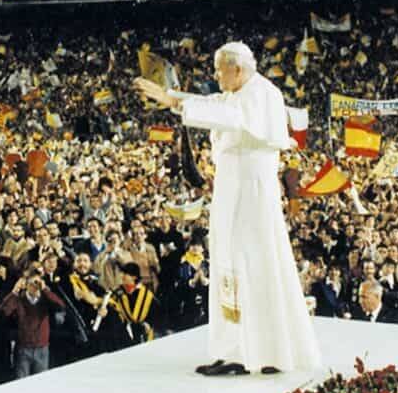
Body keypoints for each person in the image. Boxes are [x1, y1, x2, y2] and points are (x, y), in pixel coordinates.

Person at [135, 41, 322, 375]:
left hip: (251, 192)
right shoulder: (237, 93)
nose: (216, 74)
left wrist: (175, 102)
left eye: (220, 68)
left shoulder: (262, 93)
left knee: (253, 262)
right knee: (227, 261)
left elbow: (231, 117)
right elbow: (212, 104)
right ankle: (233, 349)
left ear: (238, 69)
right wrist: (173, 100)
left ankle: (265, 352)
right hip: (232, 189)